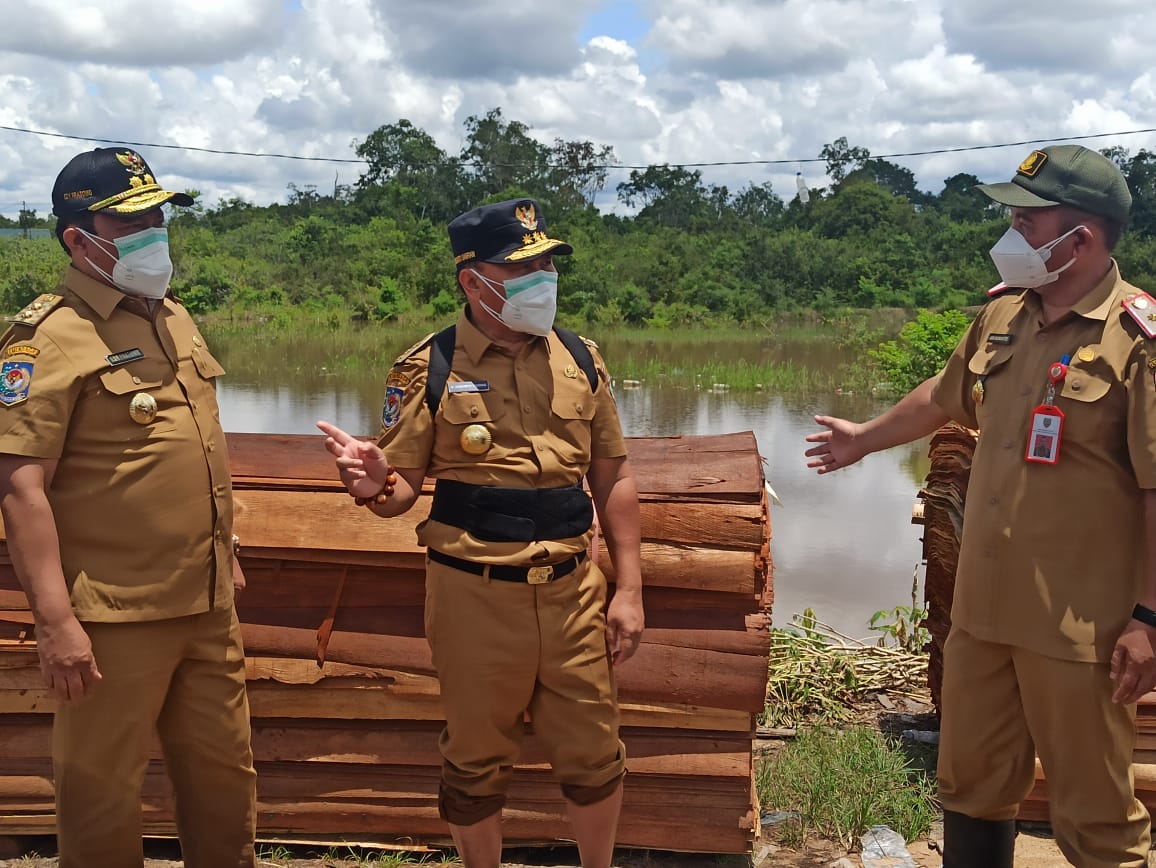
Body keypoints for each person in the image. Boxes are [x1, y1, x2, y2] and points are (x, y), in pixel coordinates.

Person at [805, 144, 1156, 867]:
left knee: (1096, 818)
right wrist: (865, 440)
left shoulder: (1138, 342)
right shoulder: (1003, 319)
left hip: (1078, 630)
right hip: (983, 618)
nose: (1011, 236)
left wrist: (1148, 619)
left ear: (1080, 239)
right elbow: (942, 397)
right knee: (970, 792)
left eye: (1028, 221)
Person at [318, 198, 644, 868]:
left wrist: (631, 588)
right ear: (473, 280)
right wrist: (375, 484)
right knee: (474, 760)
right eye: (523, 265)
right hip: (474, 597)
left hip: (573, 592)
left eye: (547, 261)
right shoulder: (428, 366)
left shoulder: (581, 358)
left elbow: (613, 478)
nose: (543, 276)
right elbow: (402, 491)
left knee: (594, 751)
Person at [0, 148, 256, 868]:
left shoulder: (172, 316)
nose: (154, 231)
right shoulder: (46, 337)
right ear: (79, 239)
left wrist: (224, 549)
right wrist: (55, 623)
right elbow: (21, 488)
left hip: (204, 604)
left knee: (225, 779)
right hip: (110, 619)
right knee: (101, 792)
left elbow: (194, 448)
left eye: (157, 215)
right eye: (132, 220)